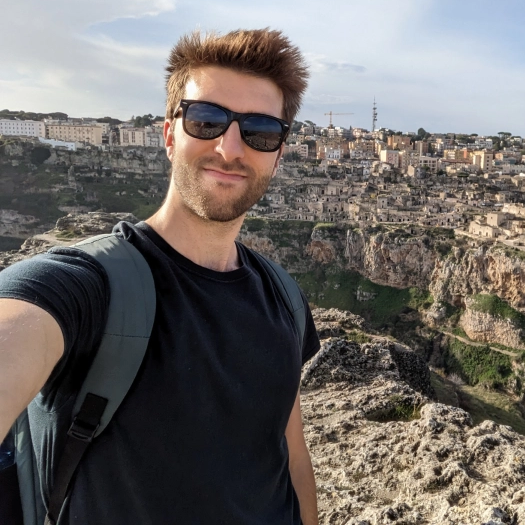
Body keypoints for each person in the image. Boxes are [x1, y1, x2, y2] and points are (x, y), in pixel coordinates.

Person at [0, 29, 321, 525]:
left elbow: (291, 454)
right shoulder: (88, 287)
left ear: (278, 152)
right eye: (207, 120)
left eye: (259, 130)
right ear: (170, 134)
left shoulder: (285, 297)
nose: (231, 148)